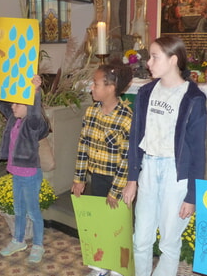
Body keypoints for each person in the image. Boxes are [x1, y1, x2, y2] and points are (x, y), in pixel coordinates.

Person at [123, 36, 207, 276]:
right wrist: (132, 180)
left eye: (154, 57)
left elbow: (197, 152)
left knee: (169, 243)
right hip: (148, 168)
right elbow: (135, 137)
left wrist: (191, 196)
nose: (148, 62)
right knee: (141, 239)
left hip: (175, 173)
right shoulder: (146, 92)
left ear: (173, 60)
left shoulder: (193, 98)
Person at [71, 61, 133, 276]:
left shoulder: (126, 118)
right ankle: (101, 263)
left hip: (118, 181)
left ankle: (118, 266)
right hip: (96, 177)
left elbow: (127, 159)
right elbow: (82, 146)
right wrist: (79, 178)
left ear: (111, 87)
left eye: (96, 84)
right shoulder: (90, 112)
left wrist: (115, 191)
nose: (92, 88)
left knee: (118, 226)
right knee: (99, 223)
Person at [0, 75, 50, 264]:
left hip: (30, 175)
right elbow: (1, 103)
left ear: (28, 106)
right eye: (13, 104)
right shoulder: (14, 119)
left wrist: (35, 92)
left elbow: (35, 113)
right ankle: (18, 240)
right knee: (18, 210)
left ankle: (38, 245)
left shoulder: (33, 124)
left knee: (33, 212)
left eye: (17, 104)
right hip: (16, 173)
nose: (13, 107)